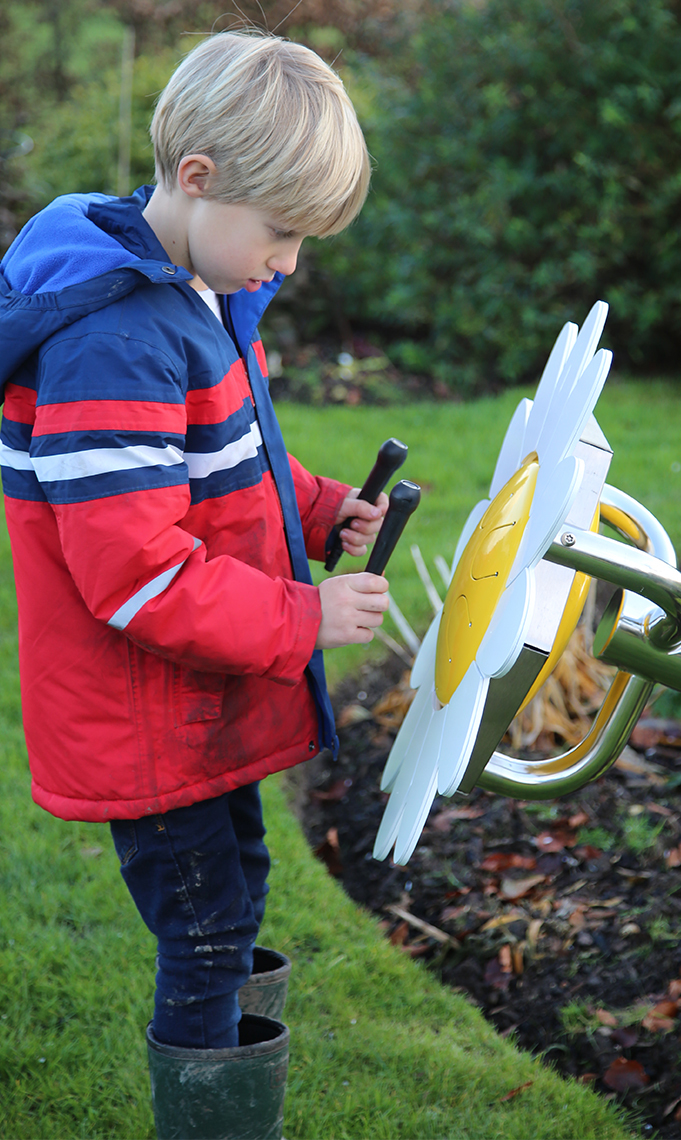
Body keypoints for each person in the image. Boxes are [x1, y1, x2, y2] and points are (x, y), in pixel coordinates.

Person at [0, 29, 390, 1138]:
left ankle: (229, 1096)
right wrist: (303, 617)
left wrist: (315, 509)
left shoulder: (191, 292)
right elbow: (135, 576)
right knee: (208, 924)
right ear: (199, 180)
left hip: (190, 708)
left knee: (238, 885)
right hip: (146, 719)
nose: (290, 262)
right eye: (281, 232)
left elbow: (223, 463)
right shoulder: (113, 340)